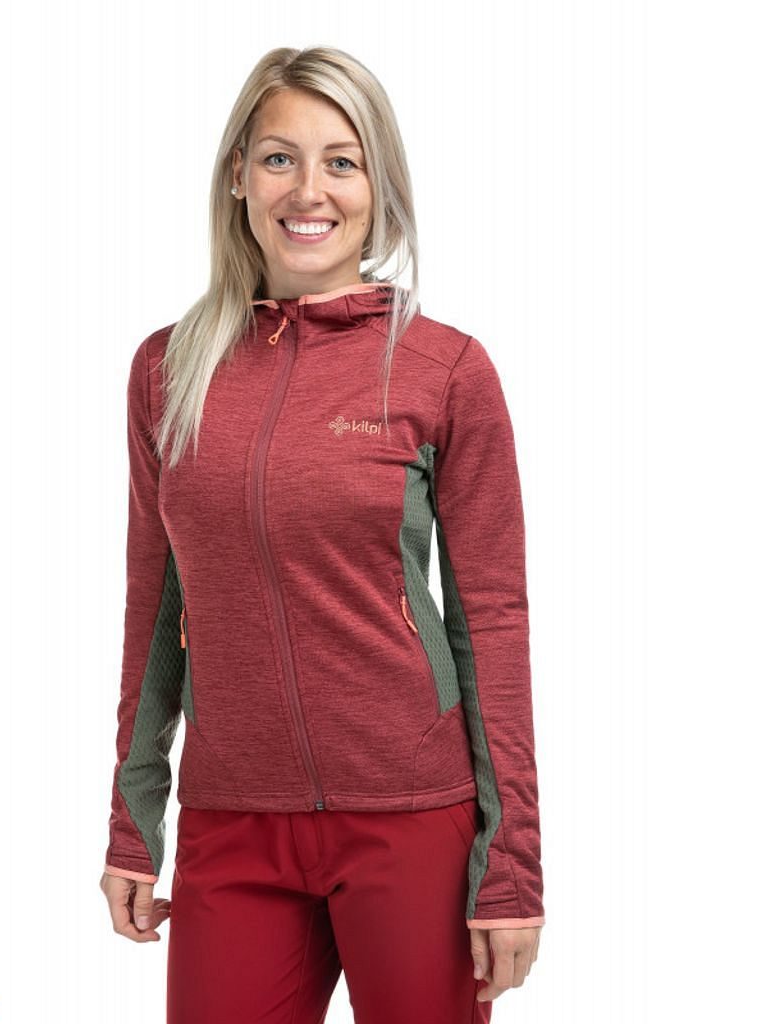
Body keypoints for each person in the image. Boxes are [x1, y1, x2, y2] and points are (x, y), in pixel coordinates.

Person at [99, 45, 544, 1024]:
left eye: (342, 162)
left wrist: (510, 865)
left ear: (379, 189)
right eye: (278, 158)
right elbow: (155, 603)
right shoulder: (166, 371)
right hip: (231, 820)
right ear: (237, 176)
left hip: (411, 819)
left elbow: (491, 624)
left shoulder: (443, 370)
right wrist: (134, 820)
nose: (309, 191)